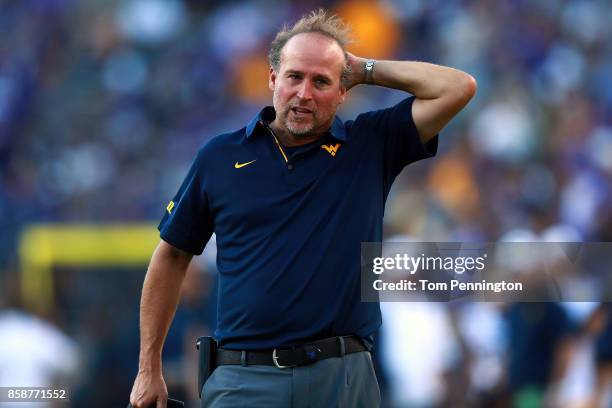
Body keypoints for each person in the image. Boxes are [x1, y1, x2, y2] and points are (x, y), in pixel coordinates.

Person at [129, 9, 476, 408]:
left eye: (322, 81)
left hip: (341, 378)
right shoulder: (220, 157)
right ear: (273, 78)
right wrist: (148, 367)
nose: (304, 94)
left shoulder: (370, 143)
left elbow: (457, 87)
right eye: (294, 76)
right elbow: (171, 256)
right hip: (244, 380)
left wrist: (363, 67)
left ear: (343, 90)